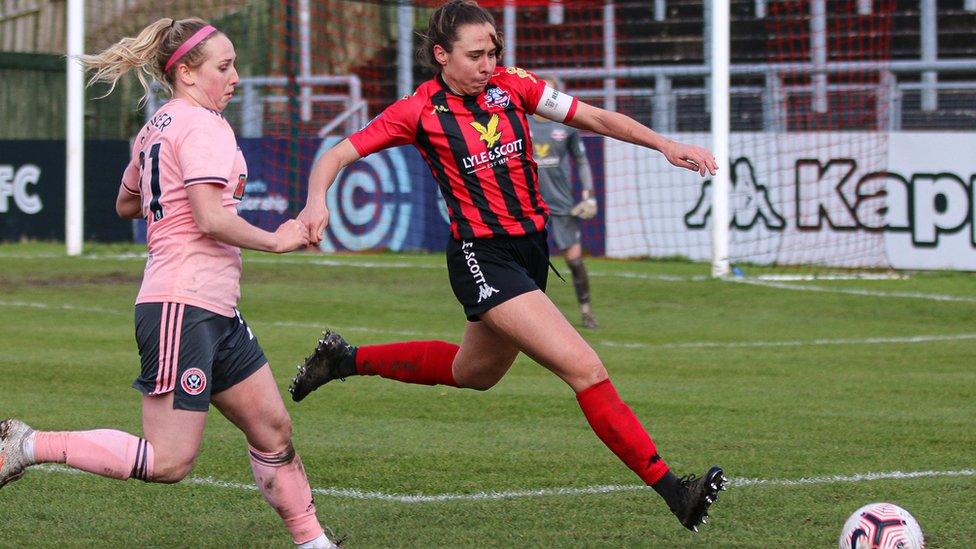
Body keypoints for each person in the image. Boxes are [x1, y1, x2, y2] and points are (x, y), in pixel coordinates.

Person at [292, 0, 725, 533]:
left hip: (530, 251)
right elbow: (335, 155)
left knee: (474, 373)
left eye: (493, 51)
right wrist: (317, 202)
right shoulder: (418, 111)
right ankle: (673, 490)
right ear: (440, 55)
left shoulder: (513, 85)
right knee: (584, 368)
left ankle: (342, 360)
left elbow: (592, 115)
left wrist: (663, 143)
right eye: (475, 55)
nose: (487, 63)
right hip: (482, 256)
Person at [0, 18, 338, 548]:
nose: (234, 77)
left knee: (272, 429)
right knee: (169, 460)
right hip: (183, 302)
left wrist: (169, 200)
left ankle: (313, 541)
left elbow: (127, 201)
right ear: (185, 72)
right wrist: (278, 239)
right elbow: (208, 217)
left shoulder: (158, 124)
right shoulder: (201, 126)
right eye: (223, 67)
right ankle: (27, 444)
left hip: (213, 306)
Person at [528, 79, 599, 329]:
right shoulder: (520, 124)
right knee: (526, 262)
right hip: (528, 205)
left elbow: (581, 161)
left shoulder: (566, 128)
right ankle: (526, 319)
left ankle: (587, 311)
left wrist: (589, 195)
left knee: (574, 259)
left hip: (560, 203)